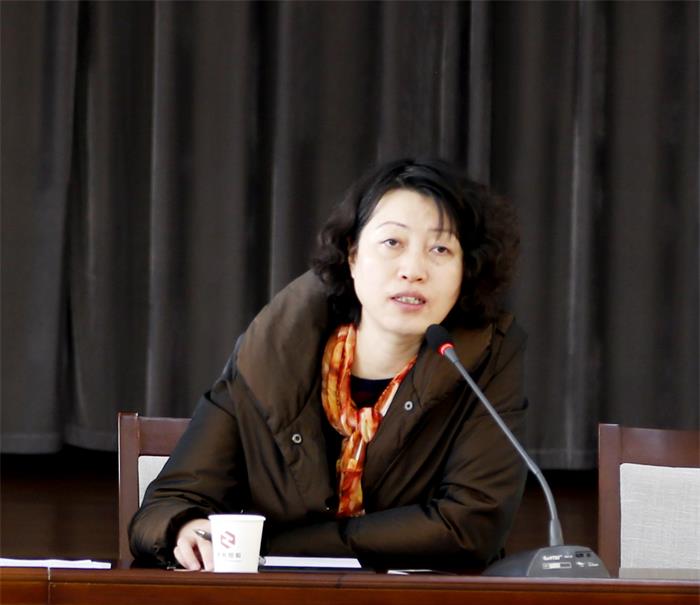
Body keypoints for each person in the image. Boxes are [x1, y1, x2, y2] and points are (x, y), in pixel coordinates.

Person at [129, 157, 528, 572]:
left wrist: (276, 546)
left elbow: (470, 527)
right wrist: (183, 528)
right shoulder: (274, 351)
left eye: (440, 249)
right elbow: (163, 508)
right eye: (393, 243)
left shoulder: (486, 356)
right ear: (352, 255)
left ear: (466, 269)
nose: (413, 270)